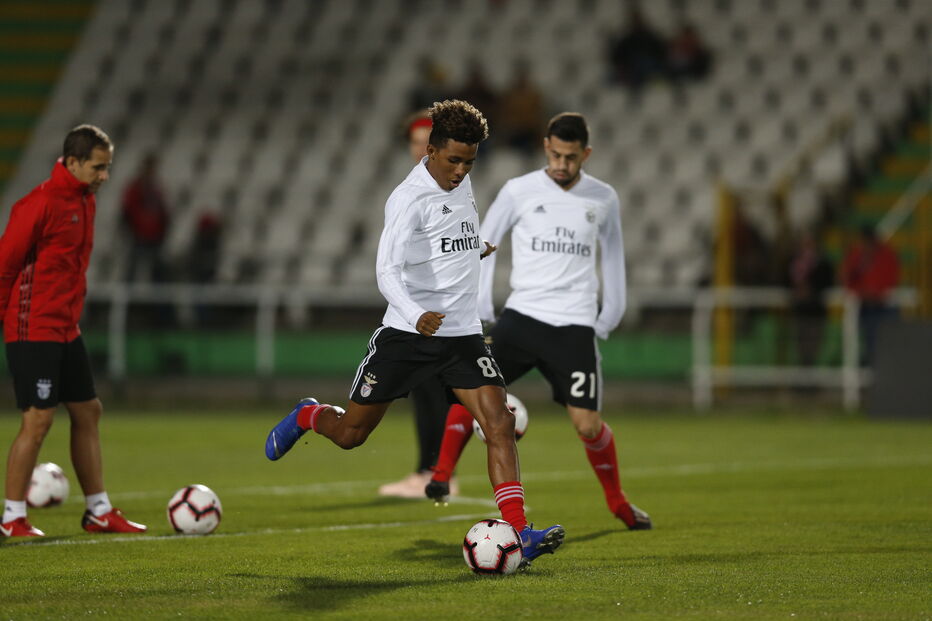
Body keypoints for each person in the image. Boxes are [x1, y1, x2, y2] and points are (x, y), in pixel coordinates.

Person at [264, 100, 564, 567]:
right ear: (431, 150)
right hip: (408, 335)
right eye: (454, 161)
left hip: (462, 335)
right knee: (351, 435)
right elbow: (387, 271)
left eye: (470, 162)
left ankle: (521, 532)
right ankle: (309, 415)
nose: (461, 171)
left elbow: (447, 240)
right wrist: (415, 312)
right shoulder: (409, 198)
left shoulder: (459, 183)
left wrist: (474, 248)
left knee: (499, 423)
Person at [425, 112, 652, 531]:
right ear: (546, 147)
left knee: (588, 425)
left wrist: (609, 315)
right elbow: (483, 243)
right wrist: (481, 306)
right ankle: (441, 475)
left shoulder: (603, 198)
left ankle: (618, 501)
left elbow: (613, 258)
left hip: (574, 325)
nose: (562, 164)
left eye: (571, 157)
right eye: (556, 155)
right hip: (522, 317)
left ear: (585, 154)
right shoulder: (519, 190)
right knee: (472, 387)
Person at [0, 125, 147, 537]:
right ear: (73, 162)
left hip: (65, 326)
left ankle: (98, 511)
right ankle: (12, 517)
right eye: (98, 167)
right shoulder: (39, 203)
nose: (105, 175)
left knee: (88, 410)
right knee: (38, 420)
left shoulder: (85, 201)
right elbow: (5, 263)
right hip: (33, 326)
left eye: (107, 167)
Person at [377, 111, 459, 499]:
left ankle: (436, 471)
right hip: (423, 308)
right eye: (415, 143)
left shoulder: (446, 189)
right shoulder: (414, 191)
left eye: (427, 142)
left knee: (433, 391)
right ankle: (433, 470)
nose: (421, 150)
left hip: (438, 309)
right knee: (428, 391)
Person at [841, 225, 900, 365]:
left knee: (888, 342)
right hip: (865, 307)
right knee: (869, 341)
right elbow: (847, 278)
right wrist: (861, 291)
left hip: (884, 306)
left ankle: (884, 368)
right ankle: (871, 369)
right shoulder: (857, 255)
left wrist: (876, 292)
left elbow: (892, 278)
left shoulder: (886, 254)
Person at [121, 152, 171, 283]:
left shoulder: (156, 189)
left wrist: (162, 230)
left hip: (155, 235)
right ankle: (128, 290)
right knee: (133, 267)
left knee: (156, 269)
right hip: (138, 234)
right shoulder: (136, 187)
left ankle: (156, 291)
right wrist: (133, 229)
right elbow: (128, 210)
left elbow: (162, 212)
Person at [786, 231, 834, 366]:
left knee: (814, 345)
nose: (807, 246)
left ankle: (810, 372)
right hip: (800, 310)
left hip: (815, 311)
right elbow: (784, 280)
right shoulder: (793, 262)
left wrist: (811, 290)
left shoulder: (823, 263)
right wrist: (796, 290)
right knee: (800, 345)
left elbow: (828, 281)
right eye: (805, 243)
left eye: (810, 243)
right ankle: (803, 373)